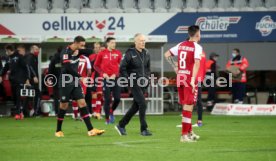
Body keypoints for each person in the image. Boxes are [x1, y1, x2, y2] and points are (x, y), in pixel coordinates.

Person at [55, 36, 105, 137]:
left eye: (83, 45)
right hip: (65, 81)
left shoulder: (79, 51)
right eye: (81, 45)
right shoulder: (65, 52)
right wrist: (81, 77)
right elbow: (68, 68)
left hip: (75, 81)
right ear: (75, 43)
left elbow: (90, 51)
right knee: (63, 106)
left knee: (82, 103)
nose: (83, 47)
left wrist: (100, 50)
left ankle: (91, 130)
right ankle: (58, 130)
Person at [164, 25, 202, 142]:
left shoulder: (181, 44)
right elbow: (196, 64)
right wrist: (192, 79)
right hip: (189, 78)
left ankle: (190, 132)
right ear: (197, 34)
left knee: (186, 106)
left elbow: (167, 54)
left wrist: (175, 66)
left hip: (180, 77)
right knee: (188, 106)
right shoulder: (197, 47)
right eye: (200, 33)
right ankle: (184, 135)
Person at [115, 33, 152, 136]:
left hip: (143, 83)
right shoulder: (129, 53)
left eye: (144, 40)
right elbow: (122, 68)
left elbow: (148, 68)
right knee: (143, 104)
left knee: (136, 106)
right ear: (135, 42)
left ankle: (121, 125)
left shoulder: (147, 53)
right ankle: (144, 129)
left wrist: (148, 79)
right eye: (140, 40)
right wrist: (128, 80)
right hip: (133, 82)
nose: (143, 42)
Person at [94, 37, 122, 124]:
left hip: (115, 79)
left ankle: (111, 112)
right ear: (108, 43)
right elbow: (96, 66)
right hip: (106, 79)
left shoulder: (118, 53)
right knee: (107, 99)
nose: (114, 44)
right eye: (112, 42)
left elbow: (120, 65)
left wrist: (115, 74)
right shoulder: (101, 53)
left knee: (117, 98)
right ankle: (107, 119)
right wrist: (103, 74)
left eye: (115, 42)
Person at [0, 44, 32, 120]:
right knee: (14, 97)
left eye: (7, 51)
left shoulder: (20, 57)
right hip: (12, 80)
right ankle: (20, 112)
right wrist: (1, 75)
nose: (6, 52)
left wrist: (27, 78)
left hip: (20, 80)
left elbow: (26, 68)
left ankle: (18, 113)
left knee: (18, 96)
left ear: (10, 50)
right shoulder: (8, 59)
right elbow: (5, 68)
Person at [72, 52, 92, 120]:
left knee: (74, 99)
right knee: (82, 98)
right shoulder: (86, 58)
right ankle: (82, 116)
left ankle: (75, 115)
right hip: (83, 80)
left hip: (73, 79)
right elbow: (89, 71)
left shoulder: (72, 57)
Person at [89, 42, 103, 119]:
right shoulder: (91, 56)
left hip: (101, 77)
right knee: (94, 96)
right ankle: (94, 112)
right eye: (95, 47)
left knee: (99, 95)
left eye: (98, 47)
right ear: (94, 48)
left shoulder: (103, 56)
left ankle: (98, 112)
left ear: (100, 48)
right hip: (93, 77)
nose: (97, 49)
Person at [25, 45, 41, 116]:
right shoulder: (30, 57)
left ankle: (27, 112)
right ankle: (35, 112)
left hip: (32, 79)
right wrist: (34, 76)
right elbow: (29, 67)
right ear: (32, 49)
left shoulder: (34, 57)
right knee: (37, 94)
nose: (38, 51)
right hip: (31, 79)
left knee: (29, 95)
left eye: (38, 49)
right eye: (36, 49)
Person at [48, 46, 63, 115]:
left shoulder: (53, 59)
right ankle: (62, 111)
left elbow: (50, 70)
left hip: (55, 80)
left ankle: (57, 112)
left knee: (56, 97)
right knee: (63, 97)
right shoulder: (64, 58)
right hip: (63, 80)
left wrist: (51, 78)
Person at [194, 50, 206, 127]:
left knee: (189, 100)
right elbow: (204, 67)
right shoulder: (202, 52)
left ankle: (186, 122)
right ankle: (199, 121)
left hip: (193, 78)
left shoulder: (192, 51)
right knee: (198, 100)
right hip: (200, 78)